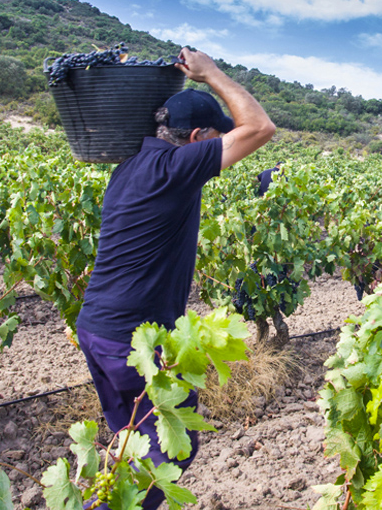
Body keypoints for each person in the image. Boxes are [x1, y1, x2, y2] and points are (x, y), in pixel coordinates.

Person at [76, 47, 275, 510]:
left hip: (99, 329)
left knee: (131, 445)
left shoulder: (133, 165)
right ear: (197, 137)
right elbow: (260, 128)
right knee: (169, 449)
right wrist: (211, 74)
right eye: (212, 139)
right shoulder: (174, 167)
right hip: (131, 338)